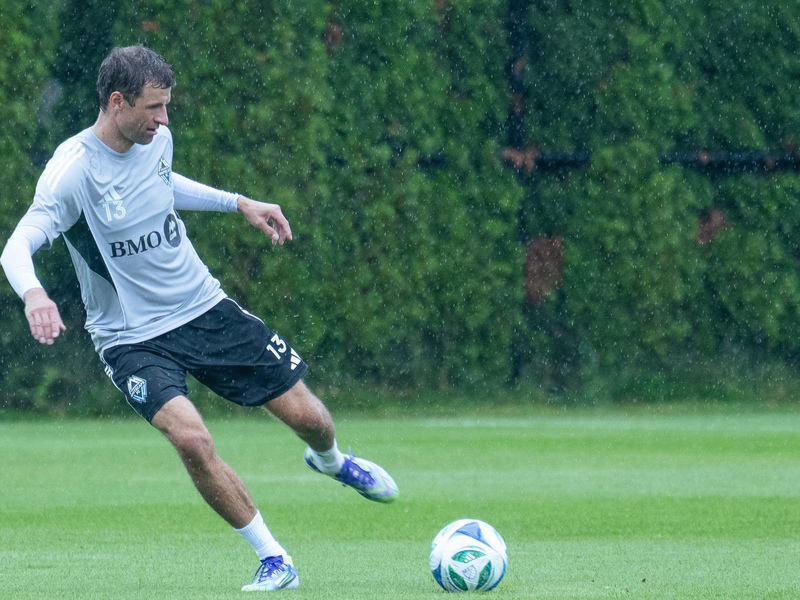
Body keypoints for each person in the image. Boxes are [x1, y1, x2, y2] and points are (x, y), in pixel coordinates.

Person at [0, 45, 398, 593]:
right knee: (191, 439)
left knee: (310, 417)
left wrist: (238, 202)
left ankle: (331, 462)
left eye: (167, 108)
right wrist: (34, 294)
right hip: (129, 337)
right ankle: (274, 558)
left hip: (202, 307)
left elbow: (164, 184)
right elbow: (16, 245)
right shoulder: (72, 173)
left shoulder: (155, 139)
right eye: (154, 107)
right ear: (117, 102)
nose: (164, 120)